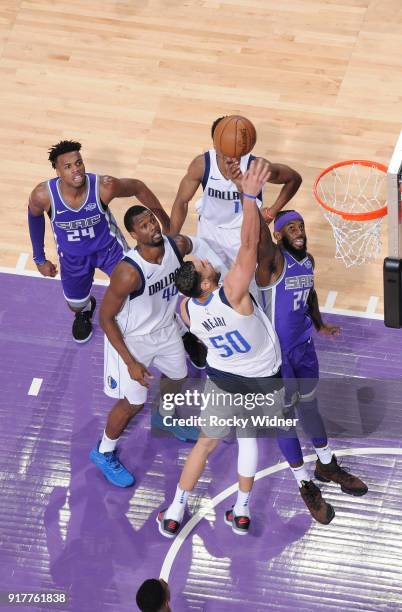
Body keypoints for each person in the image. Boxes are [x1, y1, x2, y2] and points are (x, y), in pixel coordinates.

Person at [157, 159, 294, 539]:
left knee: (205, 444)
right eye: (203, 266)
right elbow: (249, 244)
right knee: (248, 437)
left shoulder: (186, 309)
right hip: (261, 379)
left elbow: (190, 287)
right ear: (204, 282)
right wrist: (248, 196)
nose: (206, 262)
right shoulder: (233, 295)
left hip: (222, 379)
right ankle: (242, 511)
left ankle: (174, 511)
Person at [89, 204, 224, 486]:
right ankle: (104, 451)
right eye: (144, 226)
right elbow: (105, 317)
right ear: (133, 233)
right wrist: (130, 362)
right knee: (132, 403)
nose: (152, 228)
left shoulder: (175, 247)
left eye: (152, 221)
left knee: (178, 376)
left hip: (164, 330)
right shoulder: (129, 272)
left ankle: (163, 417)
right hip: (132, 340)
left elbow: (194, 243)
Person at [255, 209, 368, 501]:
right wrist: (252, 199)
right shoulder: (273, 261)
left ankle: (326, 463)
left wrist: (319, 324)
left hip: (304, 348)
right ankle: (304, 483)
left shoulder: (308, 261)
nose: (299, 231)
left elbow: (310, 293)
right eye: (290, 228)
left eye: (300, 226)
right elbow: (259, 238)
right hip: (277, 356)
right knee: (284, 418)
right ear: (278, 235)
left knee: (310, 406)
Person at [27, 140, 170, 343]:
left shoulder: (104, 186)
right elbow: (34, 216)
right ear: (57, 171)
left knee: (138, 288)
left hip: (109, 249)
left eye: (79, 163)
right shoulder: (43, 195)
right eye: (68, 167)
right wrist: (40, 259)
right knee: (75, 305)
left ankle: (173, 327)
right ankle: (84, 310)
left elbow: (138, 187)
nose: (76, 170)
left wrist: (165, 220)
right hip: (73, 258)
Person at [169, 115, 302, 275]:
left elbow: (294, 179)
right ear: (215, 142)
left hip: (242, 235)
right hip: (208, 232)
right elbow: (181, 202)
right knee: (208, 287)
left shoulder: (256, 166)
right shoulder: (202, 164)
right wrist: (170, 239)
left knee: (244, 291)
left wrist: (272, 211)